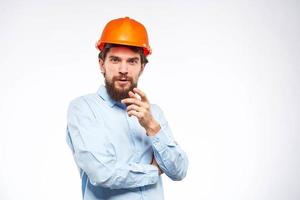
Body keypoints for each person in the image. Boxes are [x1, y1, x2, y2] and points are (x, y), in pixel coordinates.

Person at [66, 16, 188, 200]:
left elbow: (179, 170)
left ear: (142, 67)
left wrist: (153, 128)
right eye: (115, 60)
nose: (123, 69)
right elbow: (102, 173)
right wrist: (154, 170)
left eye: (132, 61)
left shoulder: (153, 113)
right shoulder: (83, 109)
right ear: (102, 64)